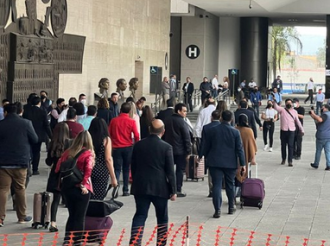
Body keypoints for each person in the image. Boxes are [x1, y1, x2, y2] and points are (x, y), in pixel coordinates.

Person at [129, 119, 177, 246]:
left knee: (140, 215)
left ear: (149, 130)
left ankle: (135, 242)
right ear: (163, 131)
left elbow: (133, 166)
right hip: (160, 187)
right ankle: (161, 243)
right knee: (162, 218)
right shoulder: (166, 147)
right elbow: (170, 171)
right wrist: (173, 191)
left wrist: (135, 180)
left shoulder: (138, 145)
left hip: (141, 185)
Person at [199, 110, 245, 218]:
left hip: (214, 161)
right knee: (230, 184)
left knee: (217, 185)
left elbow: (206, 145)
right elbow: (239, 149)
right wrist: (242, 164)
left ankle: (217, 209)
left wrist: (201, 156)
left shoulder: (212, 130)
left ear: (221, 118)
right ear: (232, 119)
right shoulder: (235, 132)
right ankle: (231, 206)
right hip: (230, 162)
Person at [0, 103, 38, 227]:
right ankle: (22, 216)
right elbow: (35, 139)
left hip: (4, 162)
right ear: (18, 112)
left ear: (5, 112)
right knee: (20, 189)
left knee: (3, 190)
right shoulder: (26, 123)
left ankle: (0, 218)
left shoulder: (1, 124)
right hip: (21, 162)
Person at [55, 131, 95, 245]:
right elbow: (88, 170)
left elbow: (58, 168)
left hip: (67, 187)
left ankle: (67, 240)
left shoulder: (67, 152)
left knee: (72, 214)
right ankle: (77, 241)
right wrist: (83, 184)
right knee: (80, 216)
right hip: (82, 188)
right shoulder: (88, 153)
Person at [109, 103, 140, 196]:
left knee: (117, 169)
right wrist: (136, 144)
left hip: (116, 147)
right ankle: (125, 189)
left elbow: (109, 132)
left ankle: (115, 188)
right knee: (126, 168)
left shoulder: (114, 121)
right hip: (128, 146)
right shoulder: (131, 121)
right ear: (130, 111)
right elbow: (137, 135)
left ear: (120, 110)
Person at [45, 122, 71, 232]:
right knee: (70, 200)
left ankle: (53, 223)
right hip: (67, 174)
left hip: (55, 174)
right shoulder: (70, 143)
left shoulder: (52, 144)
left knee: (56, 199)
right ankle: (72, 222)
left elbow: (48, 161)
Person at [163, 103, 191, 197]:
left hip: (168, 149)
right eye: (184, 111)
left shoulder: (167, 120)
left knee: (168, 170)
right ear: (178, 111)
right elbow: (186, 137)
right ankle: (178, 189)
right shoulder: (182, 122)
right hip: (180, 150)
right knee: (179, 170)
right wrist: (188, 151)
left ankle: (169, 188)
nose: (185, 113)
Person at [89, 118, 117, 200]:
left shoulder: (88, 138)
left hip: (88, 168)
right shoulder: (106, 139)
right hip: (101, 171)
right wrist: (113, 177)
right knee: (98, 198)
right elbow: (108, 159)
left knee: (87, 197)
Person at [23, 96, 52, 175]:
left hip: (28, 135)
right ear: (39, 103)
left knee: (29, 151)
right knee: (36, 151)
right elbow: (46, 125)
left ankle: (28, 167)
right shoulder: (42, 112)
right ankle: (35, 169)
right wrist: (51, 136)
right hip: (38, 135)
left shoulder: (26, 111)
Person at [273, 98, 304, 166]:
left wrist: (302, 129)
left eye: (290, 103)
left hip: (292, 130)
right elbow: (276, 107)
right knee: (283, 146)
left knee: (291, 145)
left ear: (292, 104)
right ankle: (283, 159)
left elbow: (298, 121)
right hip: (283, 130)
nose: (289, 104)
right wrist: (274, 101)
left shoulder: (294, 112)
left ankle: (290, 161)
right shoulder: (282, 110)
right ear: (285, 104)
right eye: (287, 103)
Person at [199, 110, 221, 198]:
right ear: (220, 118)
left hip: (210, 154)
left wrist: (201, 154)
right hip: (222, 153)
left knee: (211, 173)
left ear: (211, 117)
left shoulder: (206, 127)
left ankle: (212, 189)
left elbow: (203, 143)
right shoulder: (222, 126)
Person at [235, 114, 257, 182]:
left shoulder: (235, 129)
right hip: (245, 155)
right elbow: (252, 145)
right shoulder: (249, 131)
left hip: (235, 156)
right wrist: (253, 157)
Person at [310, 104, 330, 171]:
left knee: (318, 150)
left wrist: (313, 114)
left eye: (323, 108)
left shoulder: (325, 115)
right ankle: (328, 165)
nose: (322, 109)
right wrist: (313, 115)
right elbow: (317, 120)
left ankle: (316, 163)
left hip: (321, 136)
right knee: (328, 151)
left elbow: (320, 120)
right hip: (328, 136)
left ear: (326, 108)